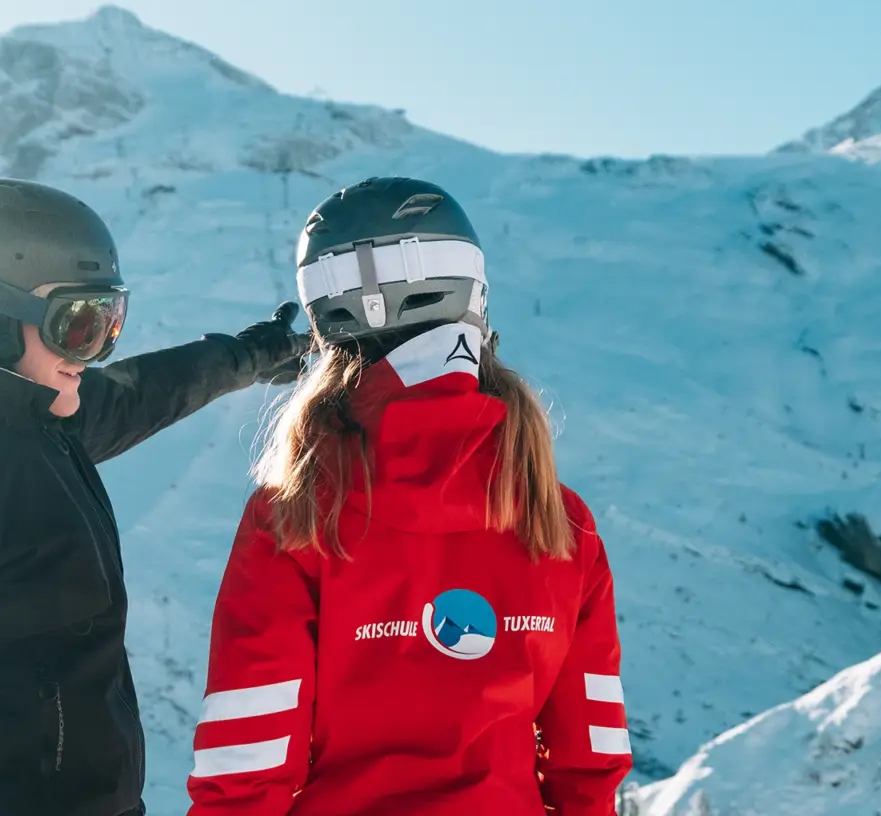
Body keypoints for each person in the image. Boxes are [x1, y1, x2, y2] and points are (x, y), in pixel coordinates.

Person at [0, 178, 308, 816]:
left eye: (109, 322)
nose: (98, 351)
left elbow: (137, 394)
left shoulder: (26, 413)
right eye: (78, 326)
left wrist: (248, 357)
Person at [185, 177, 632, 815]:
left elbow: (249, 755)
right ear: (471, 297)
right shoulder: (555, 514)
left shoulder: (298, 512)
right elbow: (589, 756)